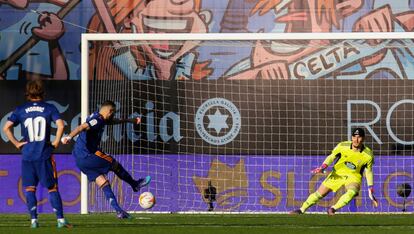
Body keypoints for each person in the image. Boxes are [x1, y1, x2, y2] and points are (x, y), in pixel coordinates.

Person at [61, 100, 151, 218]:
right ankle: (135, 184)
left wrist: (130, 120)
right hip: (88, 155)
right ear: (109, 111)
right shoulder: (97, 120)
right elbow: (82, 127)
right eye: (113, 113)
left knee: (103, 181)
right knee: (114, 164)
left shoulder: (99, 118)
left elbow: (114, 121)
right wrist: (69, 136)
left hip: (80, 160)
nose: (113, 116)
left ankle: (119, 211)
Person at [2, 79, 71, 228]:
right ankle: (60, 220)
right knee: (52, 188)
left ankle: (34, 221)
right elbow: (60, 125)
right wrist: (56, 141)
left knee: (29, 189)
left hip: (27, 154)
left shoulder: (21, 109)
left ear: (27, 93)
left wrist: (17, 143)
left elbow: (6, 128)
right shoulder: (49, 108)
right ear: (42, 92)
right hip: (44, 153)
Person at [290, 128, 378, 215]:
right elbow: (331, 157)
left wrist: (370, 187)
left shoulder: (368, 155)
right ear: (351, 137)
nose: (356, 140)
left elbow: (369, 171)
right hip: (337, 173)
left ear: (363, 138)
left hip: (354, 176)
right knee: (319, 194)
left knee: (352, 192)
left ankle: (333, 209)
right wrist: (323, 167)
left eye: (359, 137)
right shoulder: (342, 146)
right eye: (354, 137)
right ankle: (301, 210)